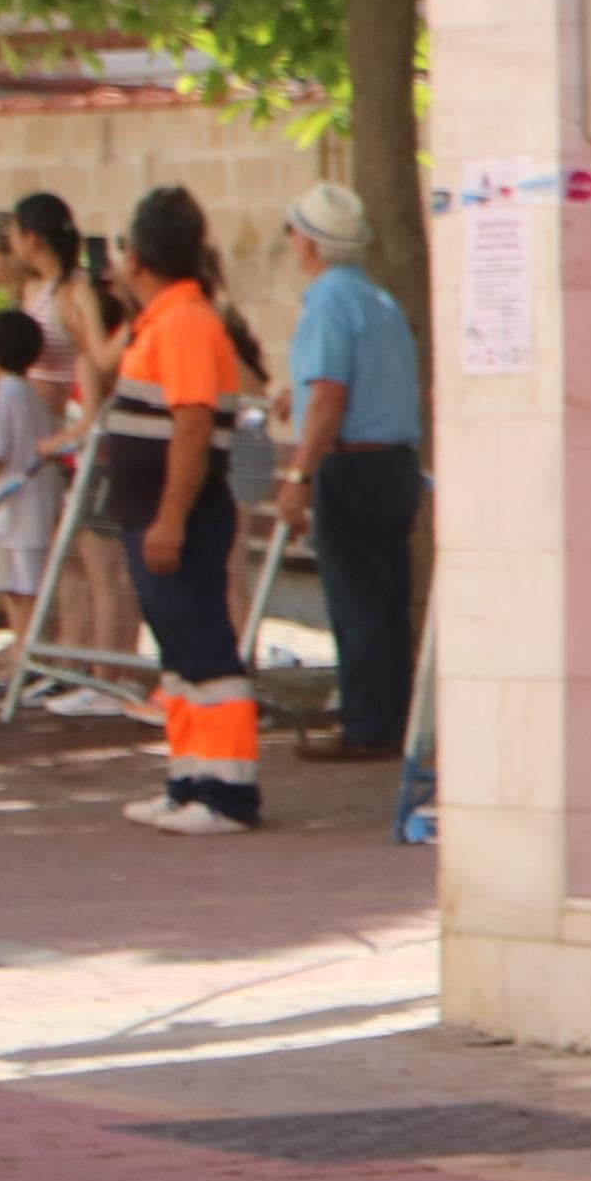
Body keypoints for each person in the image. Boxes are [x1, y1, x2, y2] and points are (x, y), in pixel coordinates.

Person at [99, 187, 262, 834]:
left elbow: (193, 425)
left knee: (205, 652)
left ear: (136, 255)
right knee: (179, 656)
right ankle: (189, 779)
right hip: (152, 514)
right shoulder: (161, 321)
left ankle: (228, 794)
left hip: (178, 517)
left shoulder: (187, 322)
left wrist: (170, 517)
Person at [263, 182, 425, 761]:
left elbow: (330, 395)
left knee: (356, 601)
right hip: (393, 462)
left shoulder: (327, 304)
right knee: (383, 598)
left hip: (352, 464)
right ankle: (389, 717)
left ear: (306, 242)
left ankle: (368, 724)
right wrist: (300, 402)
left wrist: (298, 476)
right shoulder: (376, 301)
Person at [5, 194, 142, 716]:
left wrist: (144, 319)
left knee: (102, 567)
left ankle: (108, 677)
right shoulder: (49, 291)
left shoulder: (75, 292)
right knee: (76, 568)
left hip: (90, 443)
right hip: (69, 442)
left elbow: (99, 356)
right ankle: (83, 667)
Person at [0, 310, 64, 686]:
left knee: (17, 590)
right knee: (26, 587)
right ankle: (26, 653)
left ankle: (25, 657)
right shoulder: (33, 396)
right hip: (33, 505)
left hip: (7, 510)